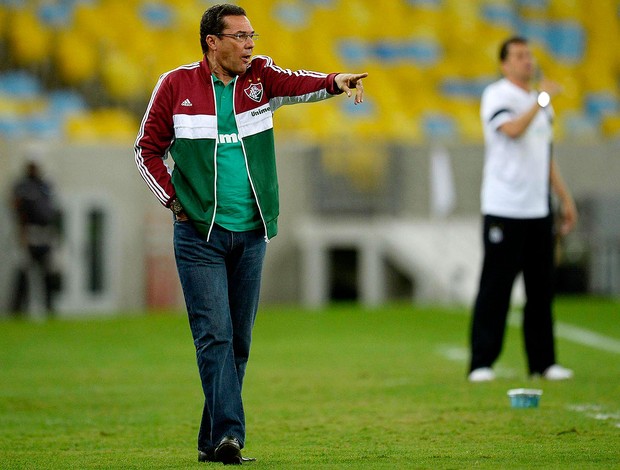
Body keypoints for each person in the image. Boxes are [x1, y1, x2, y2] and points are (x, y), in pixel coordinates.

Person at [134, 3, 367, 464]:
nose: (250, 44)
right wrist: (174, 201)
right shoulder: (175, 85)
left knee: (237, 341)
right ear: (212, 42)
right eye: (239, 36)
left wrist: (335, 82)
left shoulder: (261, 78)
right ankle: (230, 438)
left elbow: (296, 82)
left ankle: (211, 440)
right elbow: (147, 149)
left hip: (253, 232)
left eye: (252, 35)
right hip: (199, 237)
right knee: (215, 336)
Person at [468, 36, 578, 383]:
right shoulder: (497, 95)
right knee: (496, 287)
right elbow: (513, 130)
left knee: (541, 289)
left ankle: (543, 362)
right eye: (518, 56)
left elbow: (543, 156)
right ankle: (481, 362)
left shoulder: (539, 104)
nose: (527, 61)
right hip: (505, 206)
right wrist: (541, 99)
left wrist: (564, 198)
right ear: (504, 64)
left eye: (529, 55)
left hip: (537, 208)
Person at [10, 156, 61, 316]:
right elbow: (18, 212)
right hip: (29, 234)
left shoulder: (45, 185)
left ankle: (49, 307)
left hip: (45, 235)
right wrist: (21, 235)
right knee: (23, 273)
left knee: (48, 274)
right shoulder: (22, 186)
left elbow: (52, 212)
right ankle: (18, 309)